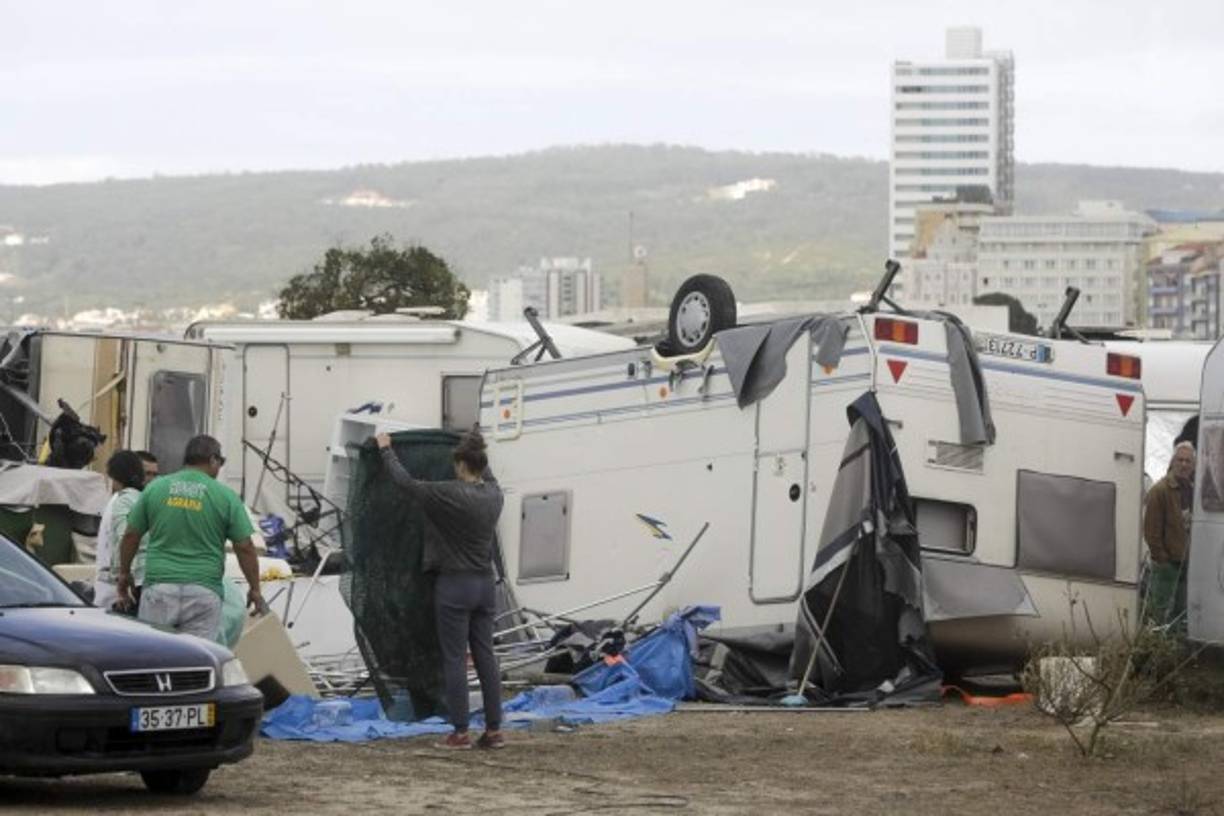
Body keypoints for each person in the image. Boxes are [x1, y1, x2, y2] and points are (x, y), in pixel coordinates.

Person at [376, 428, 505, 750]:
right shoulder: (494, 494)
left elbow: (405, 483)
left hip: (454, 585)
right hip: (485, 585)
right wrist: (469, 443)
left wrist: (385, 450)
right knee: (486, 656)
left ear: (461, 464)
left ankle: (460, 732)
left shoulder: (447, 493)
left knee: (454, 659)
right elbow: (484, 469)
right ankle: (494, 730)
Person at [117, 435, 263, 640]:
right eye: (220, 462)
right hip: (204, 590)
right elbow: (245, 546)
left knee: (154, 656)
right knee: (197, 660)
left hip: (160, 588)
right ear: (213, 459)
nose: (219, 468)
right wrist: (255, 589)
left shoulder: (155, 489)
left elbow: (131, 535)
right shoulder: (226, 496)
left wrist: (124, 573)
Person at [1144, 441, 1195, 630]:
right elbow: (1150, 531)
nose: (1184, 464)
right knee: (1160, 617)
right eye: (1180, 460)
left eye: (1188, 461)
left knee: (1180, 615)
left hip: (1185, 564)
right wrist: (1163, 561)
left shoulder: (1192, 490)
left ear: (1193, 465)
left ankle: (1173, 656)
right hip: (1167, 566)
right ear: (1173, 462)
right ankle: (1155, 656)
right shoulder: (1160, 490)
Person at [92, 451, 146, 610]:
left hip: (118, 589)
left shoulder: (119, 501)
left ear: (113, 476)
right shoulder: (142, 499)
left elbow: (123, 539)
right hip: (139, 584)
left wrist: (124, 581)